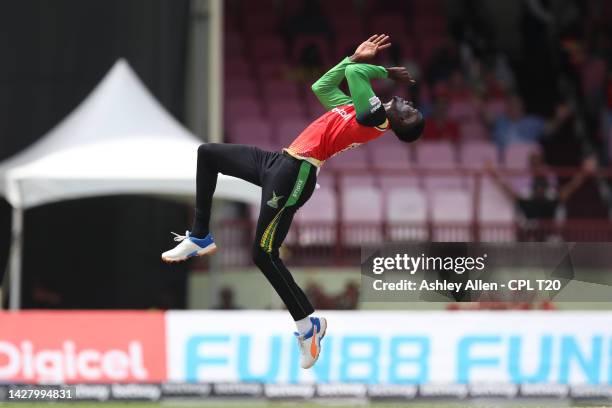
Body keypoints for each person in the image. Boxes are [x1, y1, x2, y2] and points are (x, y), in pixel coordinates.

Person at [161, 34, 425, 369]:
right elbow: (322, 86)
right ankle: (200, 235)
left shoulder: (373, 116)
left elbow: (358, 76)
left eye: (410, 114)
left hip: (296, 174)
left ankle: (307, 325)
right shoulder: (359, 108)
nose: (410, 106)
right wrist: (351, 57)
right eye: (411, 108)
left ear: (399, 126)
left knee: (263, 253)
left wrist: (378, 69)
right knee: (208, 154)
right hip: (281, 161)